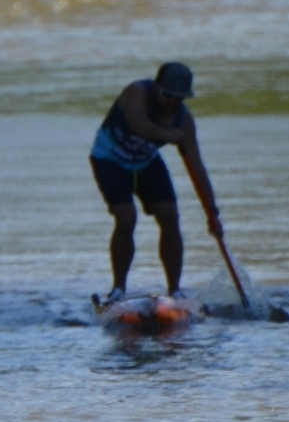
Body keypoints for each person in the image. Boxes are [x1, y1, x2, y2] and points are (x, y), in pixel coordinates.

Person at [88, 62, 223, 303]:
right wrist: (166, 135)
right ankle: (118, 290)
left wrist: (212, 213)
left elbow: (197, 168)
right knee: (126, 216)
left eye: (178, 98)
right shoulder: (135, 93)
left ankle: (175, 291)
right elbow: (139, 123)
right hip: (109, 158)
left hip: (145, 162)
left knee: (170, 216)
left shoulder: (184, 122)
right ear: (156, 87)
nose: (171, 102)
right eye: (167, 94)